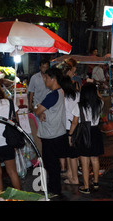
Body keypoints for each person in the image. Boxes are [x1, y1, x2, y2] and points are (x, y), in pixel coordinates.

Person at [34, 67, 68, 197]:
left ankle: (55, 190)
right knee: (53, 164)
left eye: (47, 78)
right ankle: (54, 188)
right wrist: (40, 111)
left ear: (53, 79)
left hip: (51, 135)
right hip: (57, 133)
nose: (45, 80)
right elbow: (40, 109)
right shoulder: (60, 92)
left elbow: (37, 109)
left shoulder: (53, 95)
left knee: (51, 164)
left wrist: (39, 111)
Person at [69, 83, 104, 194]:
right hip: (95, 132)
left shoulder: (79, 106)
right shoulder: (100, 103)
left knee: (84, 161)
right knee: (95, 159)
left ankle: (86, 186)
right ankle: (96, 183)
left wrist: (70, 135)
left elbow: (74, 122)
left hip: (84, 133)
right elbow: (100, 97)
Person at [59, 75, 80, 186]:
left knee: (71, 154)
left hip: (68, 126)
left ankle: (74, 178)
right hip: (77, 125)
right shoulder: (77, 94)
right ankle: (70, 172)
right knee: (72, 152)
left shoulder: (63, 96)